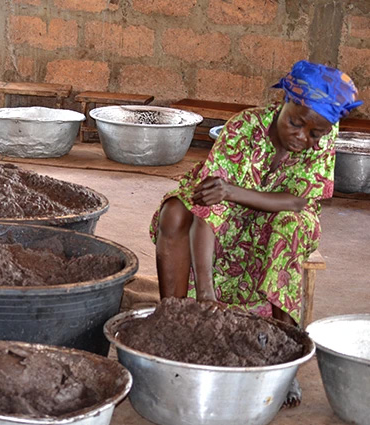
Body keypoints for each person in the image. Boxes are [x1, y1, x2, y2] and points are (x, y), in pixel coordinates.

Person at [149, 60, 362, 407]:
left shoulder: (325, 139)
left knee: (292, 228)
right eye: (295, 122)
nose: (302, 137)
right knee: (175, 213)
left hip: (279, 213)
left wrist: (232, 192)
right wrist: (206, 294)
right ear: (283, 102)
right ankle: (175, 318)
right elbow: (209, 209)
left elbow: (296, 202)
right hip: (230, 213)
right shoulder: (243, 128)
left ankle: (283, 353)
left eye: (314, 133)